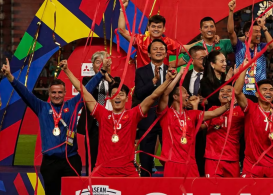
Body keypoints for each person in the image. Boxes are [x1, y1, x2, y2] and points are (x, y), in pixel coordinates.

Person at [2, 58, 104, 195]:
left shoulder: (73, 104)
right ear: (49, 94)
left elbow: (86, 89)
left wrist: (101, 73)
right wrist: (9, 77)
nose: (57, 95)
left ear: (65, 93)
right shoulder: (41, 107)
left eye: (60, 92)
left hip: (71, 160)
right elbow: (25, 93)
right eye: (54, 92)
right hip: (50, 162)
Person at [62, 61, 174, 177]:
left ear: (127, 98)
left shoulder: (133, 114)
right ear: (110, 98)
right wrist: (66, 70)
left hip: (127, 171)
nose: (117, 97)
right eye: (114, 94)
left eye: (121, 94)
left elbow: (154, 96)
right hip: (102, 170)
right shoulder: (102, 114)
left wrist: (168, 80)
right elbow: (83, 91)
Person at [158, 74, 229, 177]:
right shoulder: (166, 114)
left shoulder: (192, 114)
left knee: (194, 188)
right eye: (185, 93)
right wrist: (177, 76)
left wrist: (228, 105)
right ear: (175, 97)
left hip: (190, 164)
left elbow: (214, 113)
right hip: (172, 162)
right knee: (172, 188)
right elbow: (165, 93)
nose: (188, 95)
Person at [133, 39, 171, 177]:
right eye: (155, 49)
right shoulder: (141, 72)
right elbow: (139, 94)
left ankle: (171, 184)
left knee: (169, 157)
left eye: (161, 49)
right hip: (147, 119)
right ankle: (145, 184)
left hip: (167, 119)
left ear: (166, 53)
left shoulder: (171, 71)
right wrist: (153, 82)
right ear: (148, 54)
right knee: (146, 159)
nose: (158, 51)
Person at [204, 66, 249, 177]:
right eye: (222, 91)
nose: (225, 93)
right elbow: (200, 127)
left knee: (232, 188)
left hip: (232, 158)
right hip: (212, 159)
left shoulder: (241, 111)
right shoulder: (212, 110)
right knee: (211, 188)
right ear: (218, 97)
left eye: (229, 91)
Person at [76, 52, 115, 169]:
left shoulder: (114, 81)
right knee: (91, 157)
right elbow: (87, 92)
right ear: (92, 65)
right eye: (98, 62)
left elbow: (118, 92)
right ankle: (90, 177)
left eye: (104, 62)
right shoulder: (87, 80)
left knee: (110, 157)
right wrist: (100, 75)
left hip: (109, 123)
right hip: (92, 124)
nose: (101, 65)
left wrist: (108, 79)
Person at [117, 0, 183, 67]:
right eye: (153, 26)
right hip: (143, 74)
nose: (156, 29)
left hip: (163, 74)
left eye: (159, 27)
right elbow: (122, 31)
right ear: (148, 28)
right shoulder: (140, 40)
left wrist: (184, 59)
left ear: (164, 29)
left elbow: (187, 49)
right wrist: (122, 9)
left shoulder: (168, 42)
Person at [242, 80, 273, 178]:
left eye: (271, 90)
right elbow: (238, 92)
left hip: (272, 165)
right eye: (264, 89)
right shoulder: (251, 108)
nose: (268, 92)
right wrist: (243, 72)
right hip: (252, 165)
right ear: (257, 94)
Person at [234, 8, 273, 100]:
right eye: (256, 31)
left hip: (259, 92)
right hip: (242, 92)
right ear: (247, 33)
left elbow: (272, 46)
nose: (259, 34)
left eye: (260, 32)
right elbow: (231, 32)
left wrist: (264, 27)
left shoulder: (261, 47)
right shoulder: (240, 46)